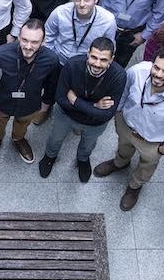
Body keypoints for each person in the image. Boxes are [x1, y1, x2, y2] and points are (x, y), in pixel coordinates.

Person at [93, 48, 164, 210]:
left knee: (146, 166)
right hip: (126, 126)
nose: (159, 74)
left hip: (152, 143)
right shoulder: (138, 71)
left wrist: (163, 149)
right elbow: (124, 91)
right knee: (123, 148)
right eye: (156, 67)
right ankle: (120, 163)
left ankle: (135, 186)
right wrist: (118, 112)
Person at [39, 37, 126, 182]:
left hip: (94, 123)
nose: (97, 64)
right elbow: (60, 98)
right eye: (94, 57)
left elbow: (107, 115)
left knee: (88, 145)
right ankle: (50, 156)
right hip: (66, 115)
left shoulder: (119, 76)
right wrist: (95, 106)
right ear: (88, 53)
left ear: (111, 59)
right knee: (55, 138)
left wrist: (75, 100)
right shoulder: (72, 65)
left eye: (103, 60)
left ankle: (83, 159)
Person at [0, 19, 60, 164]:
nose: (28, 46)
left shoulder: (51, 60)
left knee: (23, 122)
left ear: (43, 41)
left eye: (35, 42)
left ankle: (18, 138)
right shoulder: (1, 53)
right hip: (3, 98)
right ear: (19, 37)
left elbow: (52, 84)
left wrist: (46, 103)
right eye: (25, 40)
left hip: (30, 101)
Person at [44, 0, 118, 63]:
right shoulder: (59, 13)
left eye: (87, 0)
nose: (82, 4)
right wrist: (50, 59)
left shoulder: (108, 21)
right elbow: (47, 38)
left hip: (86, 64)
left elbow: (108, 48)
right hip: (58, 61)